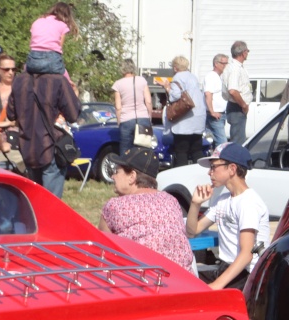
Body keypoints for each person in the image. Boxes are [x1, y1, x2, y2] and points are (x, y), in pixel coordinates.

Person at [188, 143, 270, 290]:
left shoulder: (248, 202)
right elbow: (192, 231)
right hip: (227, 269)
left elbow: (247, 254)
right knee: (184, 281)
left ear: (232, 169)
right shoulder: (223, 200)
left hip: (247, 275)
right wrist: (195, 204)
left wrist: (216, 286)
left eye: (213, 167)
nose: (209, 173)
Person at [99, 148, 194, 272]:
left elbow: (102, 247)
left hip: (140, 281)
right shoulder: (171, 200)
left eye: (116, 171)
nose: (113, 176)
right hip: (182, 278)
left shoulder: (116, 205)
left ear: (132, 177)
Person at [6, 69, 81, 198]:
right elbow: (73, 114)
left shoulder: (20, 80)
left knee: (35, 201)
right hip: (51, 147)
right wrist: (74, 94)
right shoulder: (58, 78)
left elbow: (11, 114)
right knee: (51, 204)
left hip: (28, 148)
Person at [162, 56, 206, 167]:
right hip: (198, 118)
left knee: (181, 151)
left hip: (185, 120)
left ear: (175, 68)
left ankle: (182, 176)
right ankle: (201, 173)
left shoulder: (177, 78)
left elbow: (175, 96)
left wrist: (167, 87)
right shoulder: (193, 77)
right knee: (196, 150)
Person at [25, 2, 78, 89]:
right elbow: (59, 46)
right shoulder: (62, 25)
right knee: (63, 71)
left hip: (34, 58)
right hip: (52, 59)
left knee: (26, 68)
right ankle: (69, 84)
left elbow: (31, 43)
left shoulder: (37, 21)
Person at [112, 58, 152, 157]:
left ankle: (126, 171)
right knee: (144, 150)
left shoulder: (118, 84)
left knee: (125, 150)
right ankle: (142, 171)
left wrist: (119, 121)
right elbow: (148, 101)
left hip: (126, 120)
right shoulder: (142, 80)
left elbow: (118, 107)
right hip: (143, 118)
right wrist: (149, 117)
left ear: (122, 69)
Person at [221, 41, 252, 145]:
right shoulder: (235, 69)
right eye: (247, 51)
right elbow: (233, 90)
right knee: (238, 142)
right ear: (243, 53)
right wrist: (243, 105)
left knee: (238, 139)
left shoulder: (236, 67)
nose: (247, 53)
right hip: (237, 107)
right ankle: (235, 161)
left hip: (236, 107)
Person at [204, 53, 229, 148]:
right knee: (222, 143)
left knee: (215, 142)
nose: (226, 66)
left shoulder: (219, 77)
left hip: (220, 114)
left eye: (227, 63)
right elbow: (208, 94)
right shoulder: (211, 76)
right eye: (223, 63)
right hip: (215, 116)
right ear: (216, 64)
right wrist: (212, 111)